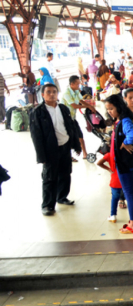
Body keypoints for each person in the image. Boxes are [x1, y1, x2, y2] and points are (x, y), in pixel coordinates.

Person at [29, 84, 81, 216]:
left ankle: (62, 197)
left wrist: (76, 145)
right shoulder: (38, 112)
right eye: (49, 92)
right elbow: (36, 136)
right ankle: (47, 205)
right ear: (43, 94)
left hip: (65, 146)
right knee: (49, 177)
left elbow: (70, 127)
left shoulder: (63, 108)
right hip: (50, 149)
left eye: (54, 92)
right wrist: (41, 157)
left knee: (65, 173)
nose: (52, 94)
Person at [104, 94, 133, 234]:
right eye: (107, 109)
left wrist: (124, 143)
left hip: (125, 163)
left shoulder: (125, 121)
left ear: (119, 107)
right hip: (126, 162)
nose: (109, 111)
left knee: (128, 191)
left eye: (111, 108)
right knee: (131, 190)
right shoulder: (120, 120)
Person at [62, 75, 94, 162]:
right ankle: (69, 156)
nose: (79, 86)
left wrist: (90, 106)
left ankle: (85, 153)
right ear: (72, 84)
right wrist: (87, 107)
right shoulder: (66, 93)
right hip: (65, 119)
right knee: (68, 138)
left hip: (72, 118)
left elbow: (81, 100)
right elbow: (74, 105)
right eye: (77, 84)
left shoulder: (76, 91)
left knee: (80, 135)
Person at [96, 149, 123, 223]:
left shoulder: (109, 155)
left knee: (114, 198)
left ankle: (113, 215)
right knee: (130, 199)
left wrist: (109, 169)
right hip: (126, 181)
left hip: (115, 182)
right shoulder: (126, 153)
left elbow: (99, 163)